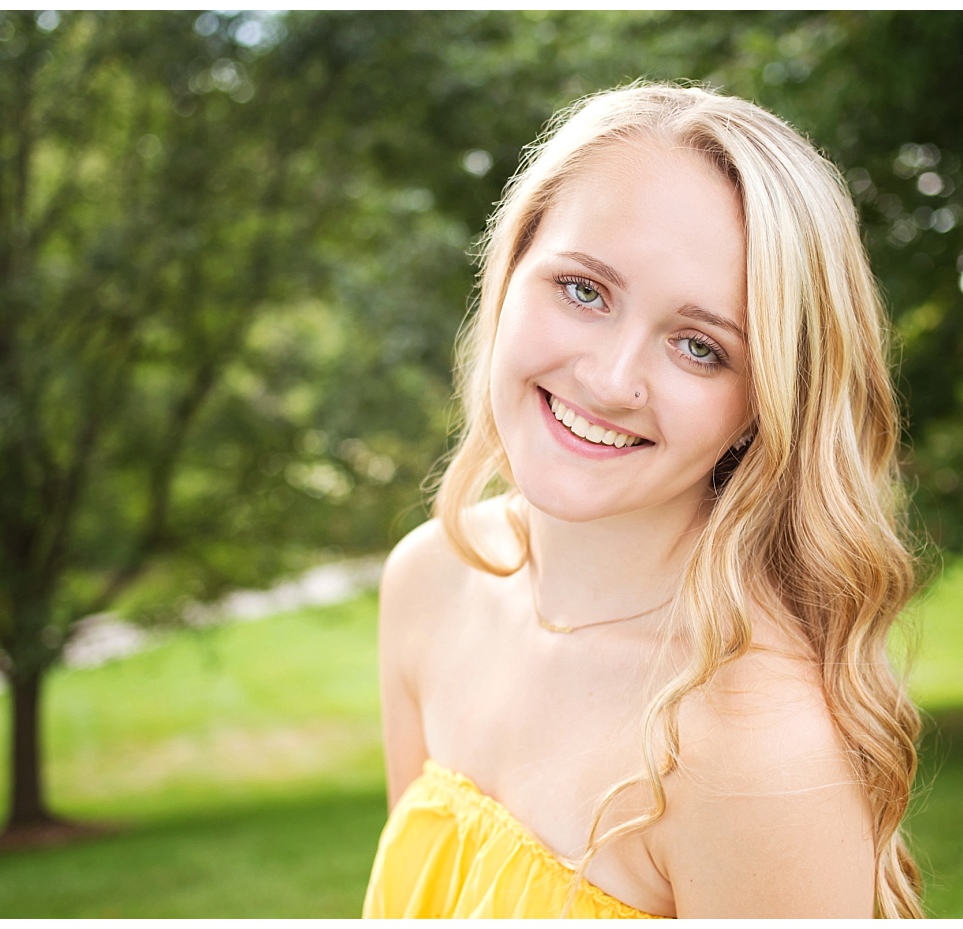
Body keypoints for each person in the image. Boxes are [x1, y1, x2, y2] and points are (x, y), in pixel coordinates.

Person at [362, 83, 922, 917]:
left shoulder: (750, 747)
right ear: (509, 267)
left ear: (765, 404)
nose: (612, 380)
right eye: (585, 290)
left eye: (699, 347)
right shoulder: (433, 580)